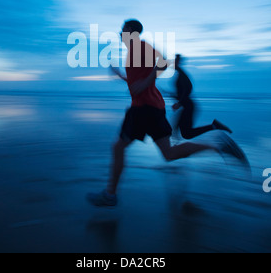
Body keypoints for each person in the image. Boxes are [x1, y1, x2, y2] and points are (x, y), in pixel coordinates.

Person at [87, 20, 249, 207]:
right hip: (152, 107)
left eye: (122, 29)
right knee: (169, 153)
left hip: (143, 109)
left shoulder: (139, 46)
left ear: (130, 31)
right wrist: (121, 76)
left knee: (118, 147)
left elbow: (163, 62)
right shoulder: (134, 50)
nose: (120, 32)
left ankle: (110, 195)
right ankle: (218, 145)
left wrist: (145, 82)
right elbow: (137, 82)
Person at [172, 54, 232, 140]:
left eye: (174, 62)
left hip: (188, 106)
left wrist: (179, 102)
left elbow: (188, 88)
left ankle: (214, 126)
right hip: (186, 106)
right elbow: (183, 91)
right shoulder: (179, 74)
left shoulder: (182, 75)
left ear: (178, 62)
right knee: (182, 133)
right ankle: (213, 126)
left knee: (186, 134)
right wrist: (177, 99)